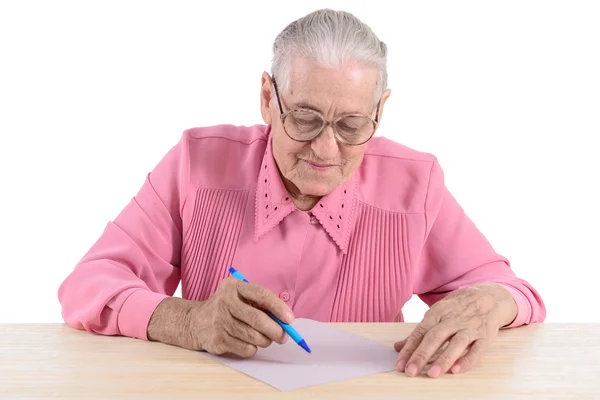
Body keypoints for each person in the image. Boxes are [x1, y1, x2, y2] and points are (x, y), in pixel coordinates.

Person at [58, 8, 545, 379]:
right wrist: (191, 321)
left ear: (381, 112)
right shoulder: (196, 162)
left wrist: (489, 303)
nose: (326, 148)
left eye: (352, 125)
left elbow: (514, 293)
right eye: (306, 118)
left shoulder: (416, 185)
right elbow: (88, 285)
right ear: (269, 98)